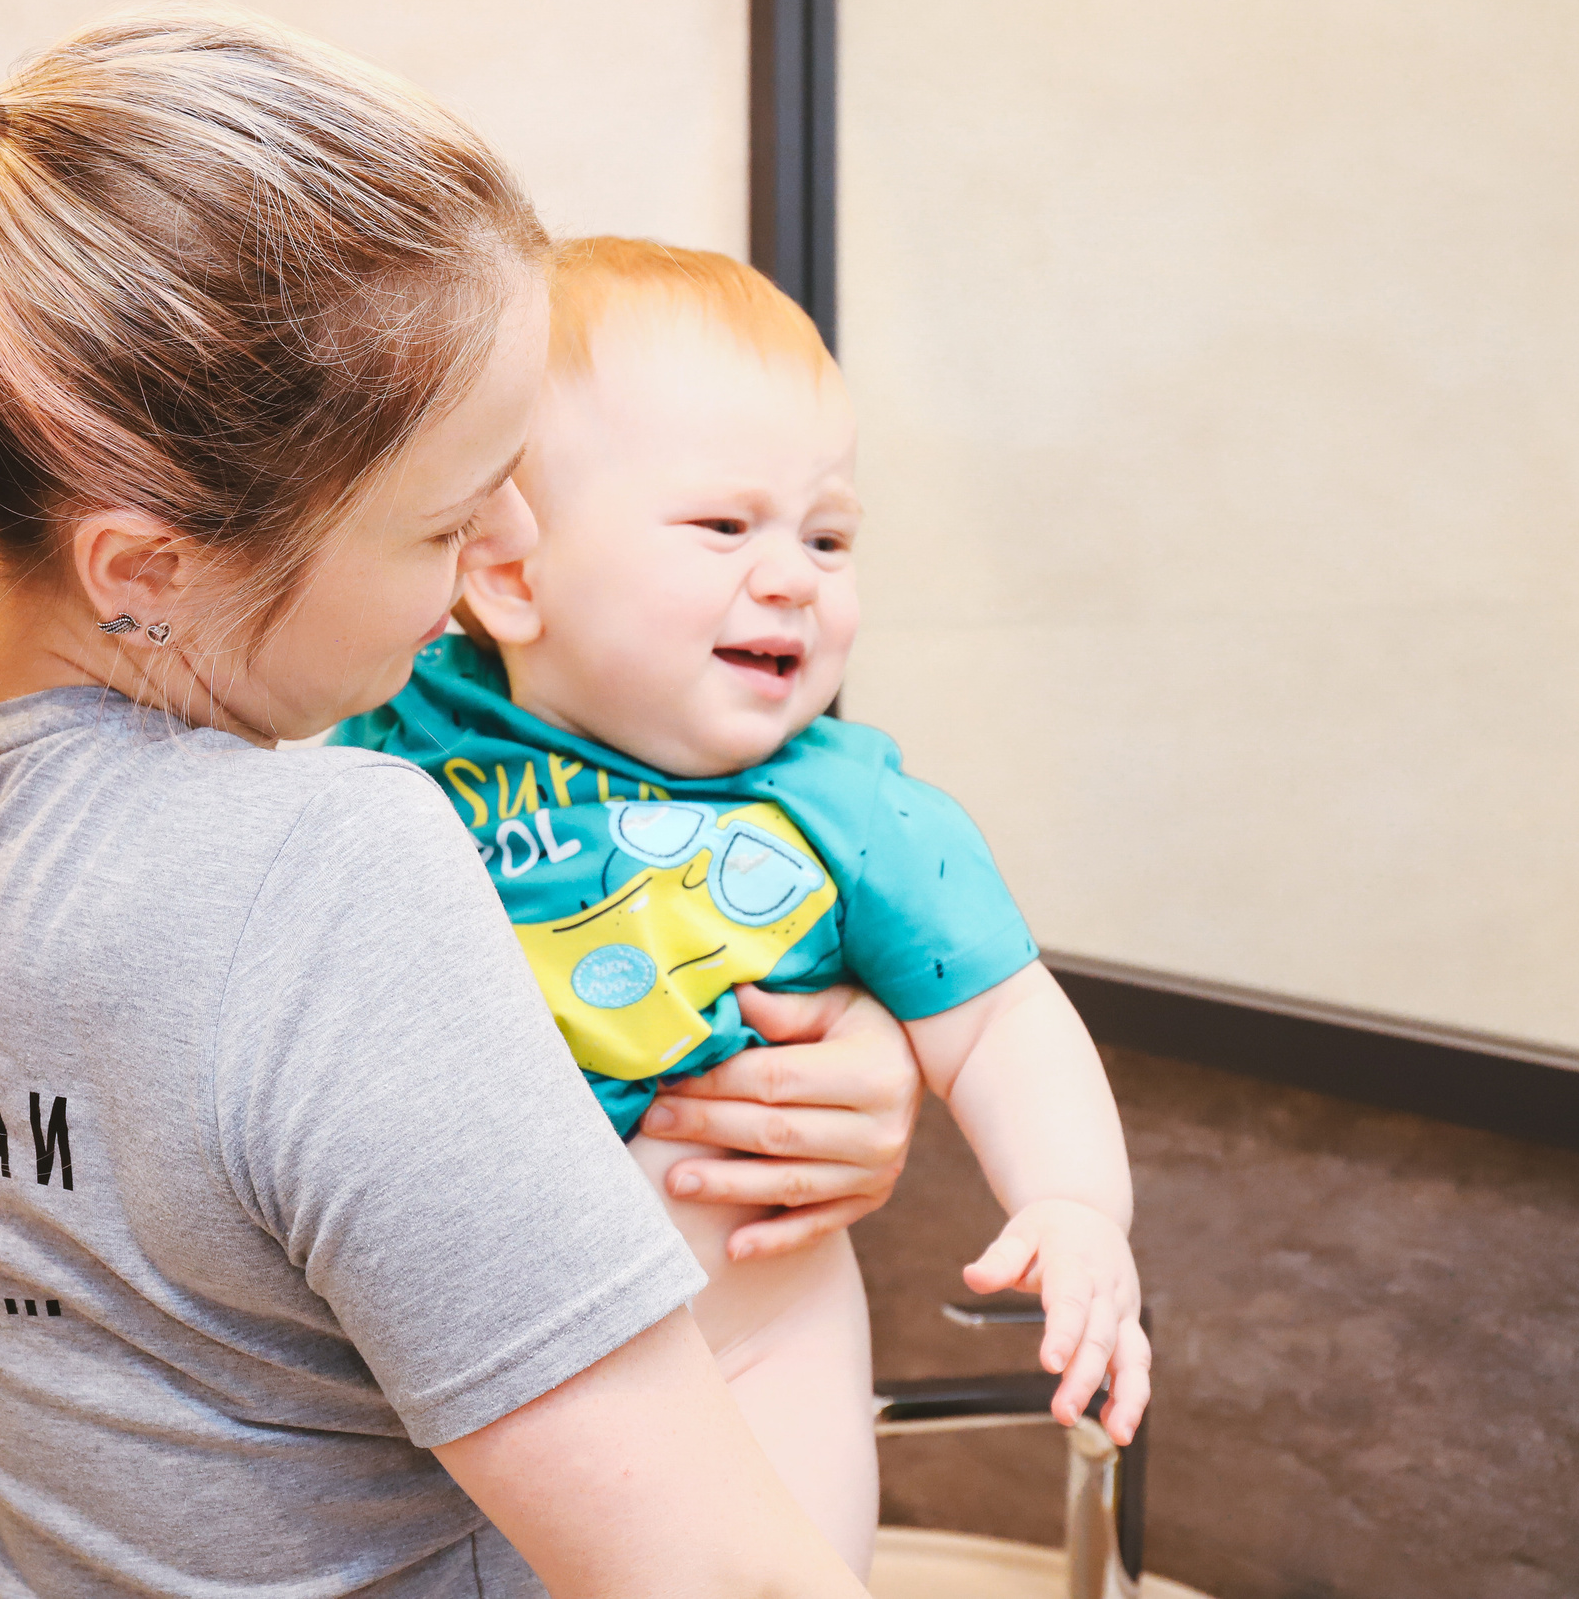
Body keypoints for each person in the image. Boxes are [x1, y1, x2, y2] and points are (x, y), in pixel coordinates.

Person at [0, 13, 925, 1599]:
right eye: (447, 524)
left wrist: (808, 1070)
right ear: (149, 574)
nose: (490, 577)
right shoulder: (319, 861)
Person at [337, 238, 1152, 1572]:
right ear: (506, 574)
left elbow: (1003, 1021)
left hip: (757, 1339)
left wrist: (1073, 1205)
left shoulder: (852, 806)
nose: (793, 576)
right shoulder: (394, 724)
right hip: (471, 1369)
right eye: (724, 526)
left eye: (828, 535)